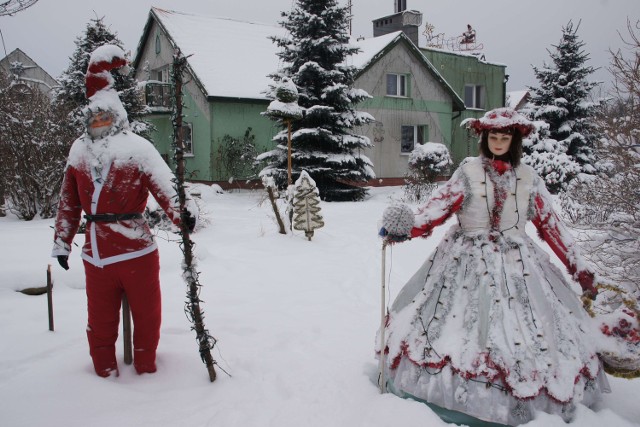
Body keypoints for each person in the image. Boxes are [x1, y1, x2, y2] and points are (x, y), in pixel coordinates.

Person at [378, 107, 609, 426]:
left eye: (505, 137)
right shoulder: (468, 172)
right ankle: (455, 398)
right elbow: (439, 208)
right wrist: (406, 227)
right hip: (467, 259)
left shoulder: (529, 177)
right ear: (485, 138)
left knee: (526, 329)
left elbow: (550, 224)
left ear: (514, 140)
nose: (498, 142)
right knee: (465, 329)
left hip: (519, 264)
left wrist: (579, 267)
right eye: (493, 136)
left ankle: (524, 400)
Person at [52, 44, 195, 378]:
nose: (98, 121)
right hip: (97, 257)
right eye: (94, 116)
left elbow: (165, 186)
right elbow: (69, 201)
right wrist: (62, 240)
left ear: (116, 115)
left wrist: (182, 214)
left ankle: (146, 367)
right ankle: (103, 371)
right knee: (99, 321)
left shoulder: (136, 149)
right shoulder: (78, 153)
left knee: (147, 316)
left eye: (104, 116)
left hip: (135, 252)